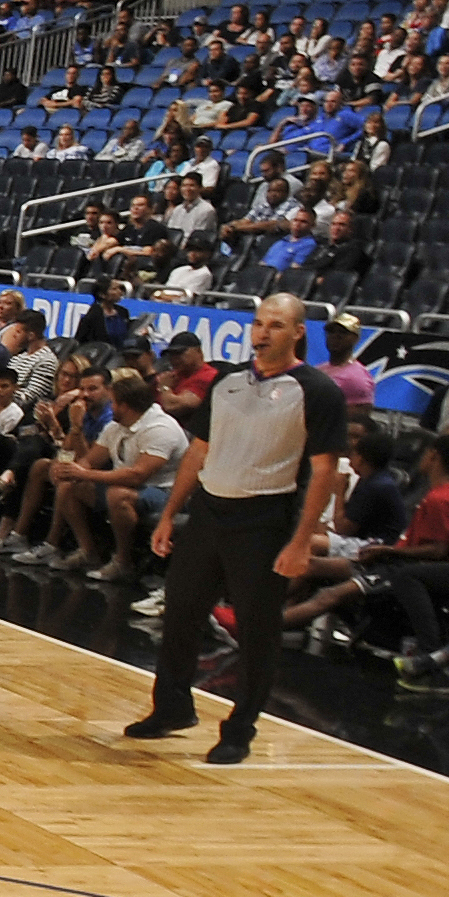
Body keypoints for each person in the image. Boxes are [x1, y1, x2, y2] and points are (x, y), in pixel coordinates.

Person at [130, 293, 347, 763]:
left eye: (275, 325)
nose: (262, 333)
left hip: (265, 517)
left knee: (256, 630)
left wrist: (299, 541)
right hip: (209, 510)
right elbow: (198, 451)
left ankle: (239, 730)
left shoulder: (317, 391)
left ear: (297, 332)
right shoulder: (227, 382)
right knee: (181, 613)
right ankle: (171, 709)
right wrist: (169, 514)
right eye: (257, 323)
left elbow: (325, 471)